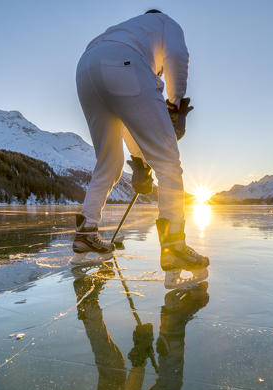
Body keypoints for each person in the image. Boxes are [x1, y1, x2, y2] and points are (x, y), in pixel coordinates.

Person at [72, 9, 209, 270]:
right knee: (168, 163)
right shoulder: (165, 22)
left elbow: (129, 121)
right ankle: (174, 246)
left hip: (85, 69)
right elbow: (178, 56)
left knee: (108, 163)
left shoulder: (127, 30)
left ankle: (86, 232)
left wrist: (140, 164)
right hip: (124, 64)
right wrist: (174, 104)